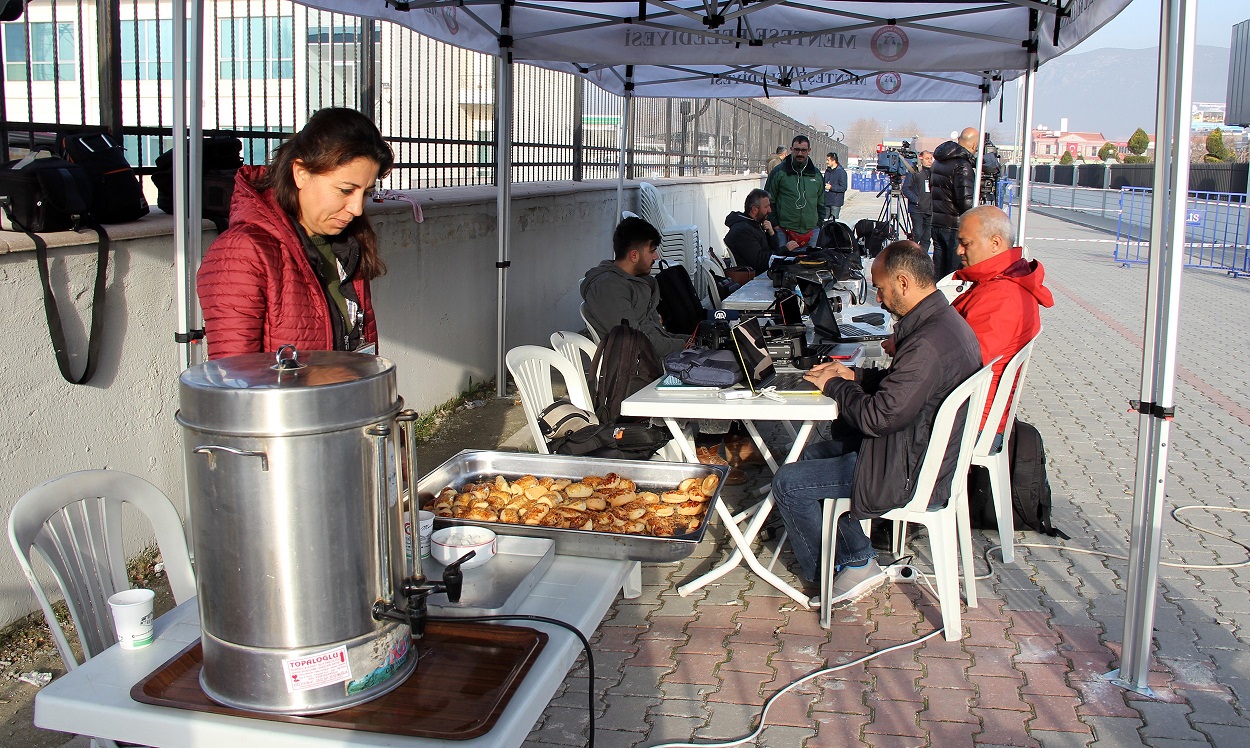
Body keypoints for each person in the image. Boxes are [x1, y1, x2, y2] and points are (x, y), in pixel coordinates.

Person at [770, 241, 981, 604]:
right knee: (812, 455)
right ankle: (858, 558)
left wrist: (835, 386)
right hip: (917, 450)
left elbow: (878, 417)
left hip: (909, 469)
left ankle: (834, 575)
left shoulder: (926, 343)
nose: (880, 300)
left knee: (788, 483)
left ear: (902, 282)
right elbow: (905, 391)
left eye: (881, 289)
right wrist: (854, 376)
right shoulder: (943, 323)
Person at [198, 107, 394, 360]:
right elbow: (233, 380)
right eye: (346, 190)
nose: (357, 209)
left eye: (366, 193)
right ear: (301, 173)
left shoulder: (346, 243)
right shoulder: (243, 251)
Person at [952, 205, 1054, 435]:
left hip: (969, 421)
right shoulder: (997, 285)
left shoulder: (1002, 296)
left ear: (995, 243)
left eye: (966, 243)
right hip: (969, 410)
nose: (959, 251)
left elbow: (962, 363)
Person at [580, 216, 687, 358]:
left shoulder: (640, 281)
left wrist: (692, 341)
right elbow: (635, 343)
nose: (656, 257)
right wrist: (684, 346)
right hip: (634, 370)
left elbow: (657, 333)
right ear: (634, 256)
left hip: (652, 358)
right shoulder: (608, 287)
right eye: (652, 251)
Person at [931, 127, 979, 279]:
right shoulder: (962, 166)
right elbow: (965, 203)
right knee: (953, 274)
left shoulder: (938, 161)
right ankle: (951, 302)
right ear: (974, 146)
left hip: (937, 222)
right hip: (954, 226)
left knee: (939, 272)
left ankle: (936, 300)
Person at [764, 134, 825, 252]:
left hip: (811, 232)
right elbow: (768, 200)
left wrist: (818, 224)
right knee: (784, 266)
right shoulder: (779, 172)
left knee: (810, 267)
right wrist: (776, 225)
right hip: (784, 231)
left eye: (803, 150)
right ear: (791, 150)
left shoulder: (816, 174)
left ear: (809, 151)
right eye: (797, 150)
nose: (800, 153)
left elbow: (821, 201)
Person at [723, 188, 778, 274]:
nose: (770, 210)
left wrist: (771, 233)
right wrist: (785, 250)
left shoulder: (754, 224)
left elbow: (771, 249)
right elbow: (759, 262)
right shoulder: (743, 231)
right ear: (754, 210)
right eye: (766, 207)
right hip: (753, 278)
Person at [902, 150, 934, 252]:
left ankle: (922, 257)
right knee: (918, 233)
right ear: (921, 159)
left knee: (927, 237)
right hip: (917, 209)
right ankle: (912, 253)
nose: (929, 161)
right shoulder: (914, 171)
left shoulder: (933, 172)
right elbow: (906, 188)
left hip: (930, 209)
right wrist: (916, 200)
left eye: (931, 159)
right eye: (927, 159)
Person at [821, 152, 848, 223]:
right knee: (825, 222)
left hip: (835, 202)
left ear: (833, 161)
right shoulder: (827, 171)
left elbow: (843, 187)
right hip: (826, 201)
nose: (826, 162)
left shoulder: (841, 172)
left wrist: (831, 187)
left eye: (828, 160)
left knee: (833, 223)